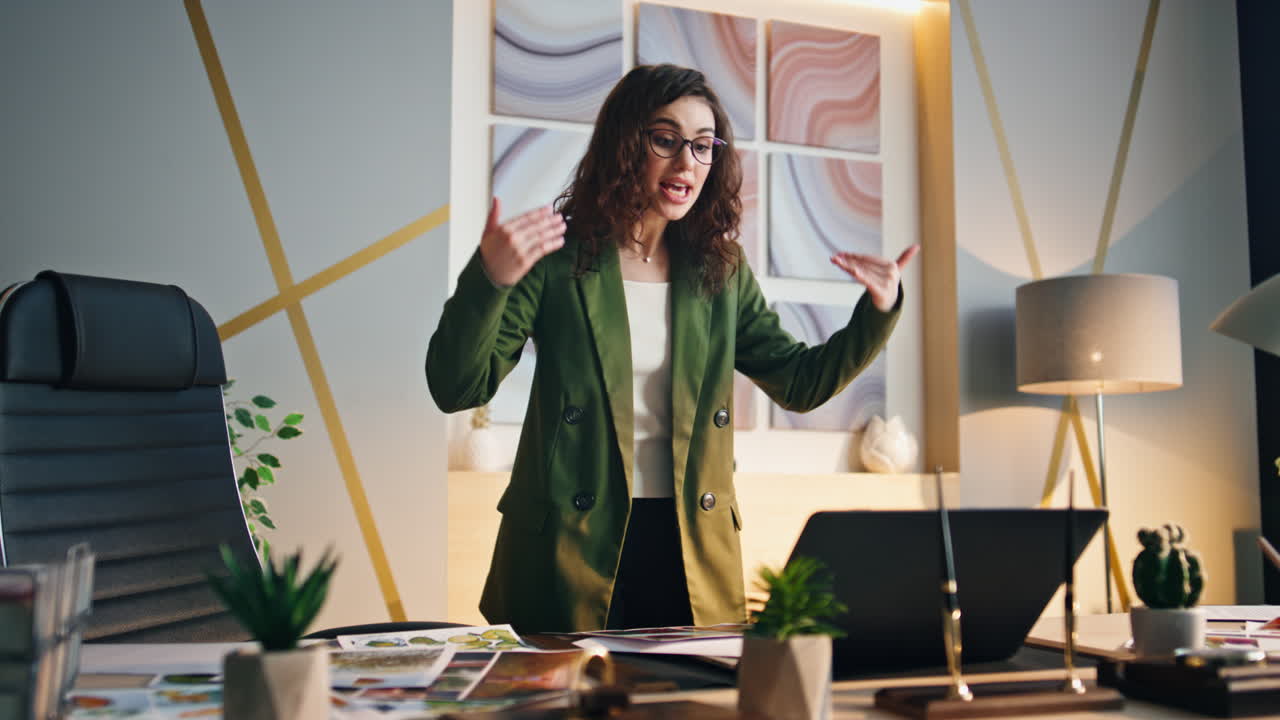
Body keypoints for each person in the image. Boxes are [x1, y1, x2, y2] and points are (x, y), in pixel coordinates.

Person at [427, 64, 918, 633]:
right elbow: (456, 386)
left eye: (705, 146)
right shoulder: (558, 259)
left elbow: (799, 383)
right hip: (569, 546)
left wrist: (878, 312)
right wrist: (491, 278)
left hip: (690, 546)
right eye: (667, 139)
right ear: (625, 143)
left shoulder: (720, 270)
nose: (688, 162)